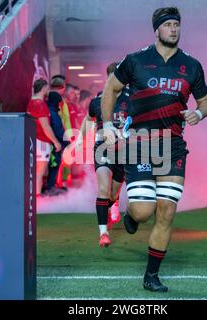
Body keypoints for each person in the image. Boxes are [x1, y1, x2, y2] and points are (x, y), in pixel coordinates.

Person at [101, 7, 207, 292]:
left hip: (173, 148)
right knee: (142, 212)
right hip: (139, 146)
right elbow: (110, 89)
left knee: (166, 211)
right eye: (168, 25)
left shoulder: (192, 65)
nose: (174, 29)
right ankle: (130, 215)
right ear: (157, 29)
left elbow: (205, 102)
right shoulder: (136, 60)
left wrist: (198, 115)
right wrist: (107, 124)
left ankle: (151, 276)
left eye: (177, 24)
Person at [78, 62, 129, 248]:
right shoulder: (97, 101)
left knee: (114, 193)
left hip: (123, 152)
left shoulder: (131, 99)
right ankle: (103, 233)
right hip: (102, 148)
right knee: (103, 189)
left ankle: (110, 206)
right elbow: (88, 119)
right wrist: (80, 139)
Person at [26, 79, 62, 197]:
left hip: (34, 140)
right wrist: (56, 142)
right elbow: (45, 126)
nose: (48, 90)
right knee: (39, 172)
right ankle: (37, 199)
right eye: (47, 87)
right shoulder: (39, 104)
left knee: (36, 172)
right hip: (41, 141)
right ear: (43, 88)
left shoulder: (32, 102)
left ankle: (35, 198)